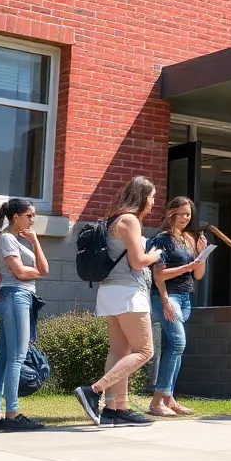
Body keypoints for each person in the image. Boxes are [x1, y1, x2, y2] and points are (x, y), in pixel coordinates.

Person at [75, 176, 162, 427]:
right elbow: (137, 262)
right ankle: (94, 390)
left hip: (110, 291)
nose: (153, 202)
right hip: (128, 293)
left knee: (119, 351)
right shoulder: (131, 220)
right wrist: (153, 255)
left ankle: (116, 408)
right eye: (152, 197)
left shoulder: (115, 219)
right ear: (142, 197)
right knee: (145, 350)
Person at [0, 197, 49, 432]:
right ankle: (12, 414)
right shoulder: (7, 238)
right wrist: (34, 272)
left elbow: (44, 269)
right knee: (16, 358)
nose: (33, 220)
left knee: (3, 359)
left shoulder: (21, 240)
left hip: (11, 297)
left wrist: (35, 243)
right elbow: (21, 273)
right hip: (14, 297)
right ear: (14, 217)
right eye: (29, 215)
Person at [148, 197, 207, 417]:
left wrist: (201, 256)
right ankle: (156, 402)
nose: (185, 218)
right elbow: (159, 275)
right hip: (167, 296)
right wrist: (164, 300)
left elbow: (198, 275)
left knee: (174, 347)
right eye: (181, 213)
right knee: (178, 343)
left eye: (188, 214)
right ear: (171, 213)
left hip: (185, 297)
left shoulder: (188, 239)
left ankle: (169, 398)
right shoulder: (162, 239)